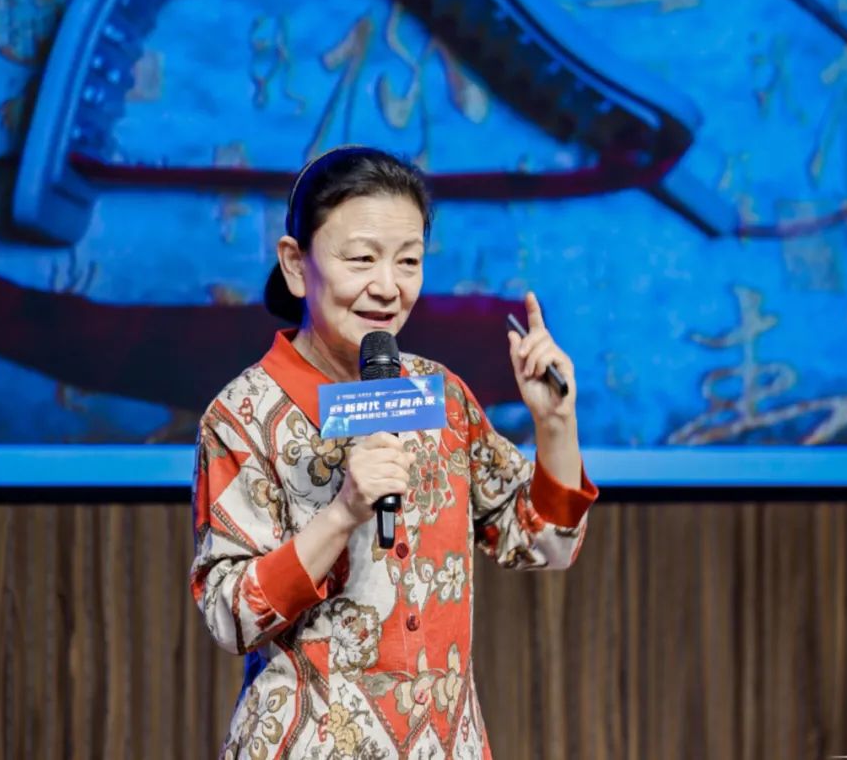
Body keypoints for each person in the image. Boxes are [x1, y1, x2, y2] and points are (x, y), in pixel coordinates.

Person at [190, 146, 598, 759]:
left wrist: (556, 423)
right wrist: (342, 514)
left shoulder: (442, 396)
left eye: (408, 261)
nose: (387, 287)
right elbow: (228, 616)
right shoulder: (240, 416)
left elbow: (545, 544)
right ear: (297, 265)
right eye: (361, 259)